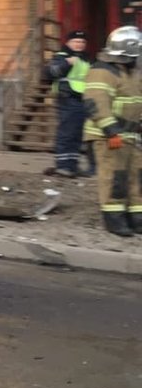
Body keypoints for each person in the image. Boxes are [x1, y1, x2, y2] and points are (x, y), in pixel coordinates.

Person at [83, 25, 142, 237]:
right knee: (115, 177)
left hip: (131, 135)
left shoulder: (132, 72)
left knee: (137, 176)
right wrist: (111, 131)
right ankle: (114, 218)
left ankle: (136, 216)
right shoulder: (102, 70)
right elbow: (95, 102)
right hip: (108, 136)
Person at [46, 30, 91, 178]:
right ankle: (63, 166)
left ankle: (72, 165)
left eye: (82, 42)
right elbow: (50, 73)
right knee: (66, 133)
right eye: (76, 42)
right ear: (68, 43)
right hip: (67, 98)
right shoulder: (61, 56)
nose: (79, 44)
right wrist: (66, 63)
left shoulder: (85, 59)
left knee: (76, 134)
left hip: (81, 99)